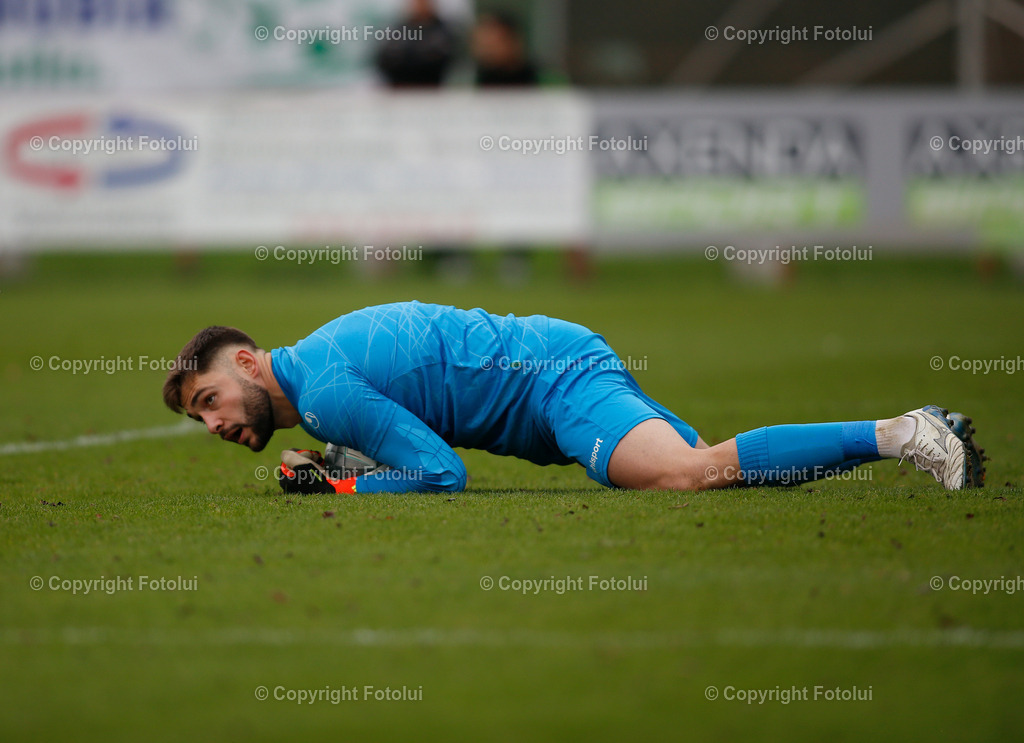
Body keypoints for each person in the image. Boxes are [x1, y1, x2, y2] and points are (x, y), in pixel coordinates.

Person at [161, 301, 986, 494]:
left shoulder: (329, 389)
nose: (215, 422)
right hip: (556, 357)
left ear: (246, 360)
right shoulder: (321, 374)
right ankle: (918, 431)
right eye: (202, 415)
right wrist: (348, 463)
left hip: (558, 380)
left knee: (688, 475)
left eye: (209, 398)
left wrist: (342, 484)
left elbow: (443, 474)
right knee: (716, 475)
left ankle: (908, 431)